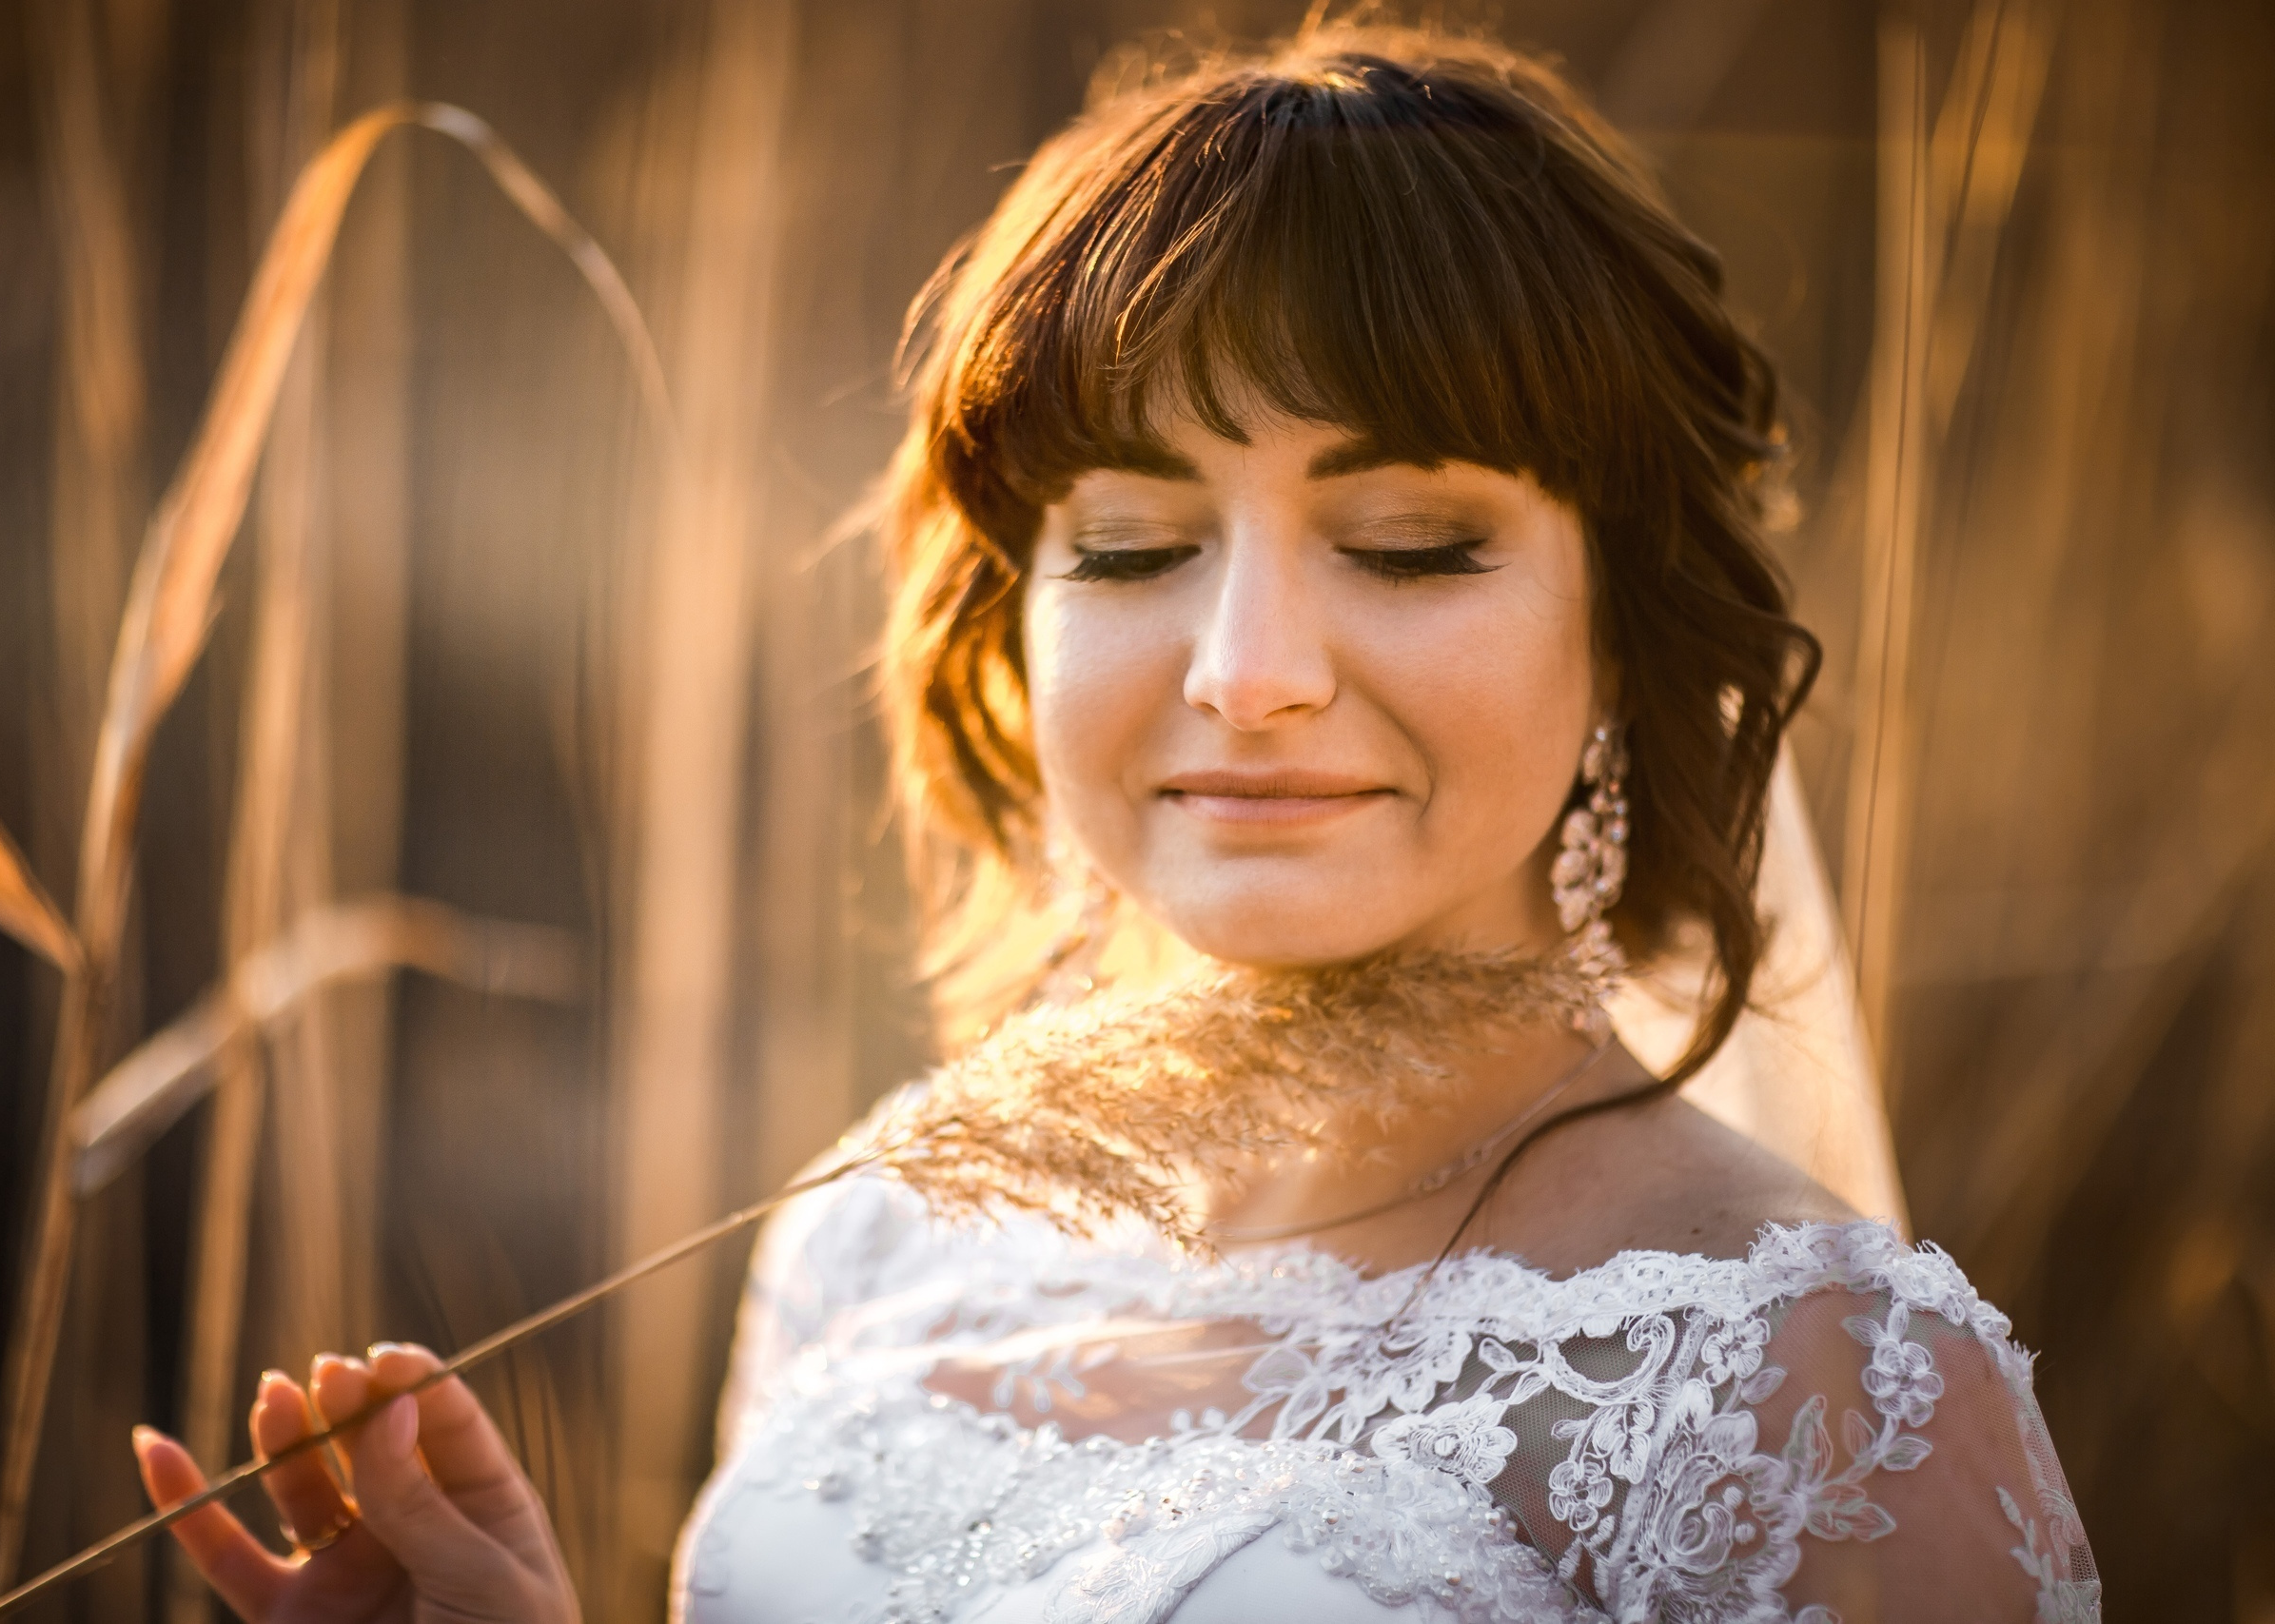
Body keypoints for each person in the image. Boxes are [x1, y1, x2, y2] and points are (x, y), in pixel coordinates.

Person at [132, 24, 2099, 1623]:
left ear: (1624, 630)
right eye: (1138, 545)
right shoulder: (873, 1232)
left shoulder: (1818, 1382)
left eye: (1409, 542)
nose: (1248, 670)